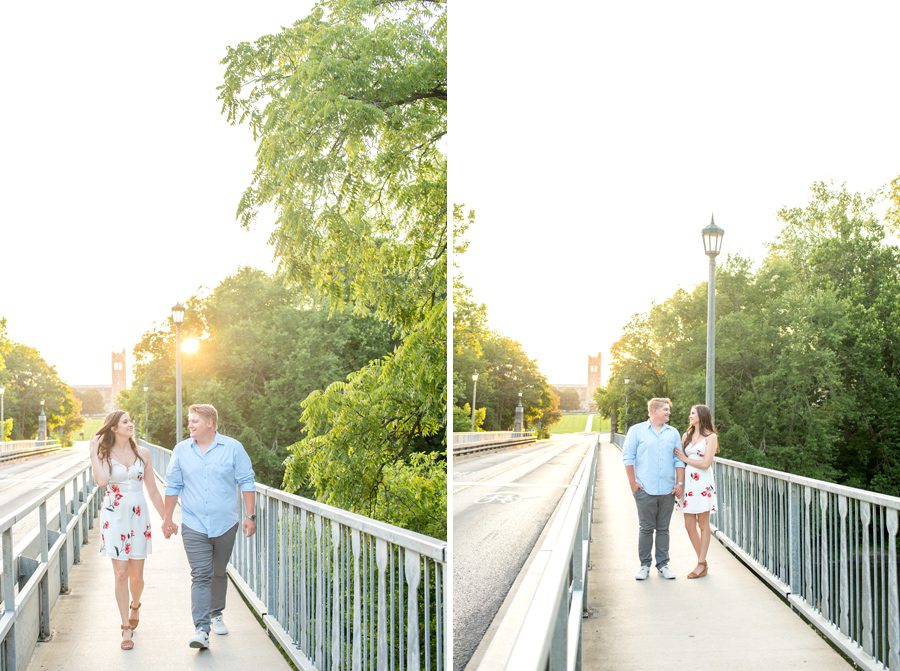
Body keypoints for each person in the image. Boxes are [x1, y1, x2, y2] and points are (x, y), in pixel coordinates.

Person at [162, 404, 257, 650]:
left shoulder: (233, 448)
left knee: (218, 571)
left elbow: (246, 481)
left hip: (226, 523)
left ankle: (217, 613)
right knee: (201, 574)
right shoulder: (181, 450)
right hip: (194, 523)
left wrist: (250, 516)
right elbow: (172, 485)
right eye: (189, 421)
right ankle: (201, 630)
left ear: (210, 423)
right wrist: (167, 518)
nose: (190, 425)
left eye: (195, 421)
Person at [89, 410, 166, 650]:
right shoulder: (104, 454)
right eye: (125, 421)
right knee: (120, 573)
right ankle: (125, 628)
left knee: (136, 576)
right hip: (114, 517)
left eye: (130, 420)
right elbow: (102, 481)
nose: (130, 424)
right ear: (113, 428)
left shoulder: (143, 453)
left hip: (138, 517)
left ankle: (136, 605)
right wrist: (93, 452)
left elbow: (153, 490)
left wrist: (167, 518)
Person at [622, 397, 685, 580]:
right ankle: (644, 565)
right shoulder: (636, 431)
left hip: (667, 490)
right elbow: (628, 458)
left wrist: (679, 483)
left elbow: (678, 459)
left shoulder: (673, 433)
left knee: (664, 529)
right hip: (645, 489)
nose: (668, 413)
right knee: (646, 528)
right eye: (665, 410)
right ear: (655, 411)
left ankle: (663, 564)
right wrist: (633, 484)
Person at [673, 404, 718, 579]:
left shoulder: (711, 437)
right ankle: (703, 562)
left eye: (693, 413)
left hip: (702, 483)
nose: (690, 415)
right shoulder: (687, 435)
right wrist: (679, 482)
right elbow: (679, 462)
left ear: (701, 415)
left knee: (703, 523)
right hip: (689, 484)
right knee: (689, 524)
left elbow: (706, 464)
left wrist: (685, 458)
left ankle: (700, 563)